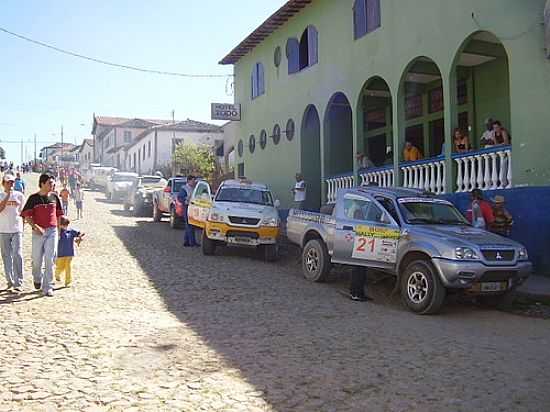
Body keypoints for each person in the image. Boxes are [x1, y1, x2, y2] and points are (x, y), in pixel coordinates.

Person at [21, 173, 64, 297]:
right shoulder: (33, 198)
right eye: (50, 183)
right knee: (37, 260)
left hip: (52, 231)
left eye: (53, 183)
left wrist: (59, 230)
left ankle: (48, 286)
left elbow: (59, 215)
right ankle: (37, 278)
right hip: (38, 233)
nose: (52, 185)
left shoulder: (55, 197)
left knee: (50, 259)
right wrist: (35, 227)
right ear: (42, 183)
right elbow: (26, 215)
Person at [0, 174, 25, 292]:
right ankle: (9, 280)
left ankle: (18, 281)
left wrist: (22, 226)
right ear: (3, 183)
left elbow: (22, 212)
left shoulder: (19, 196)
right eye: (8, 182)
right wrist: (7, 196)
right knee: (6, 257)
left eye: (12, 182)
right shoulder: (0, 195)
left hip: (16, 229)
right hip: (3, 230)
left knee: (17, 254)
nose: (10, 184)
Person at [55, 216, 84, 287]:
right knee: (60, 267)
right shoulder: (56, 232)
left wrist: (79, 237)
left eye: (67, 225)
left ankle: (68, 281)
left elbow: (80, 233)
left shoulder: (71, 230)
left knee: (68, 267)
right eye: (63, 225)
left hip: (70, 253)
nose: (65, 226)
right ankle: (57, 274)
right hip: (60, 254)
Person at [180, 175, 198, 247]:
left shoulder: (195, 188)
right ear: (189, 181)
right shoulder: (184, 188)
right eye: (193, 181)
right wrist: (186, 200)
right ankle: (192, 243)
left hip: (193, 207)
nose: (194, 182)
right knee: (189, 225)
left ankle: (186, 242)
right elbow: (180, 197)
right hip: (187, 207)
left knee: (191, 225)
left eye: (194, 181)